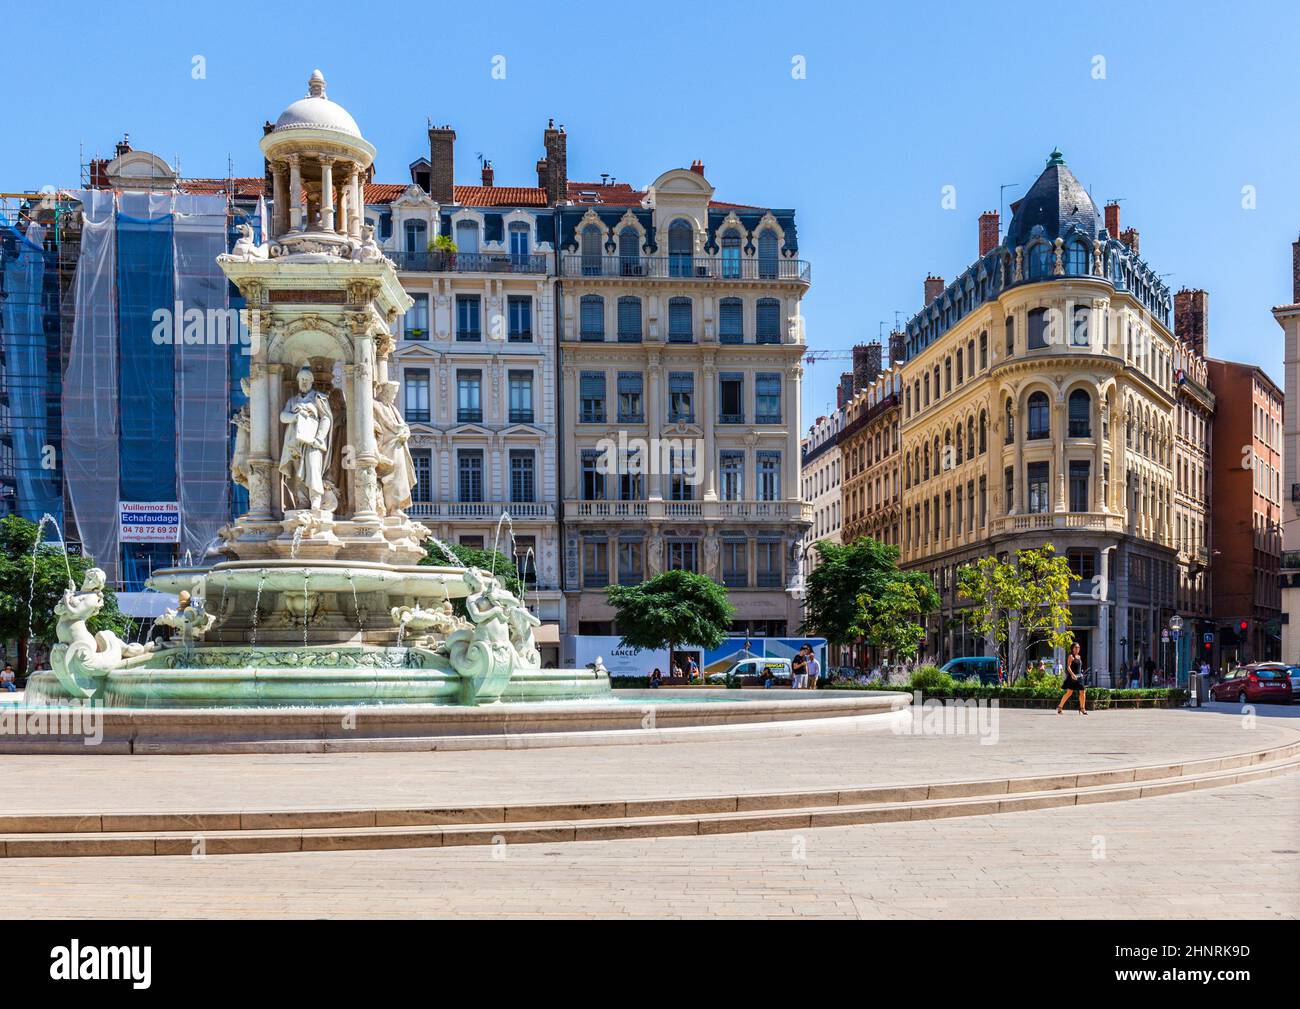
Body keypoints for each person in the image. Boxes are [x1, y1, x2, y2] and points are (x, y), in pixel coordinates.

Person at [1057, 642, 1088, 715]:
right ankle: (1060, 707)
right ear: (1073, 648)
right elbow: (1068, 667)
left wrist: (1081, 674)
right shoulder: (1071, 656)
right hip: (1072, 678)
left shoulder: (1079, 657)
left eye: (1079, 647)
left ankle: (1082, 708)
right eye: (1076, 647)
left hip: (1079, 677)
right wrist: (1073, 675)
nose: (1078, 649)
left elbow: (1079, 668)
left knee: (1083, 692)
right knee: (1069, 693)